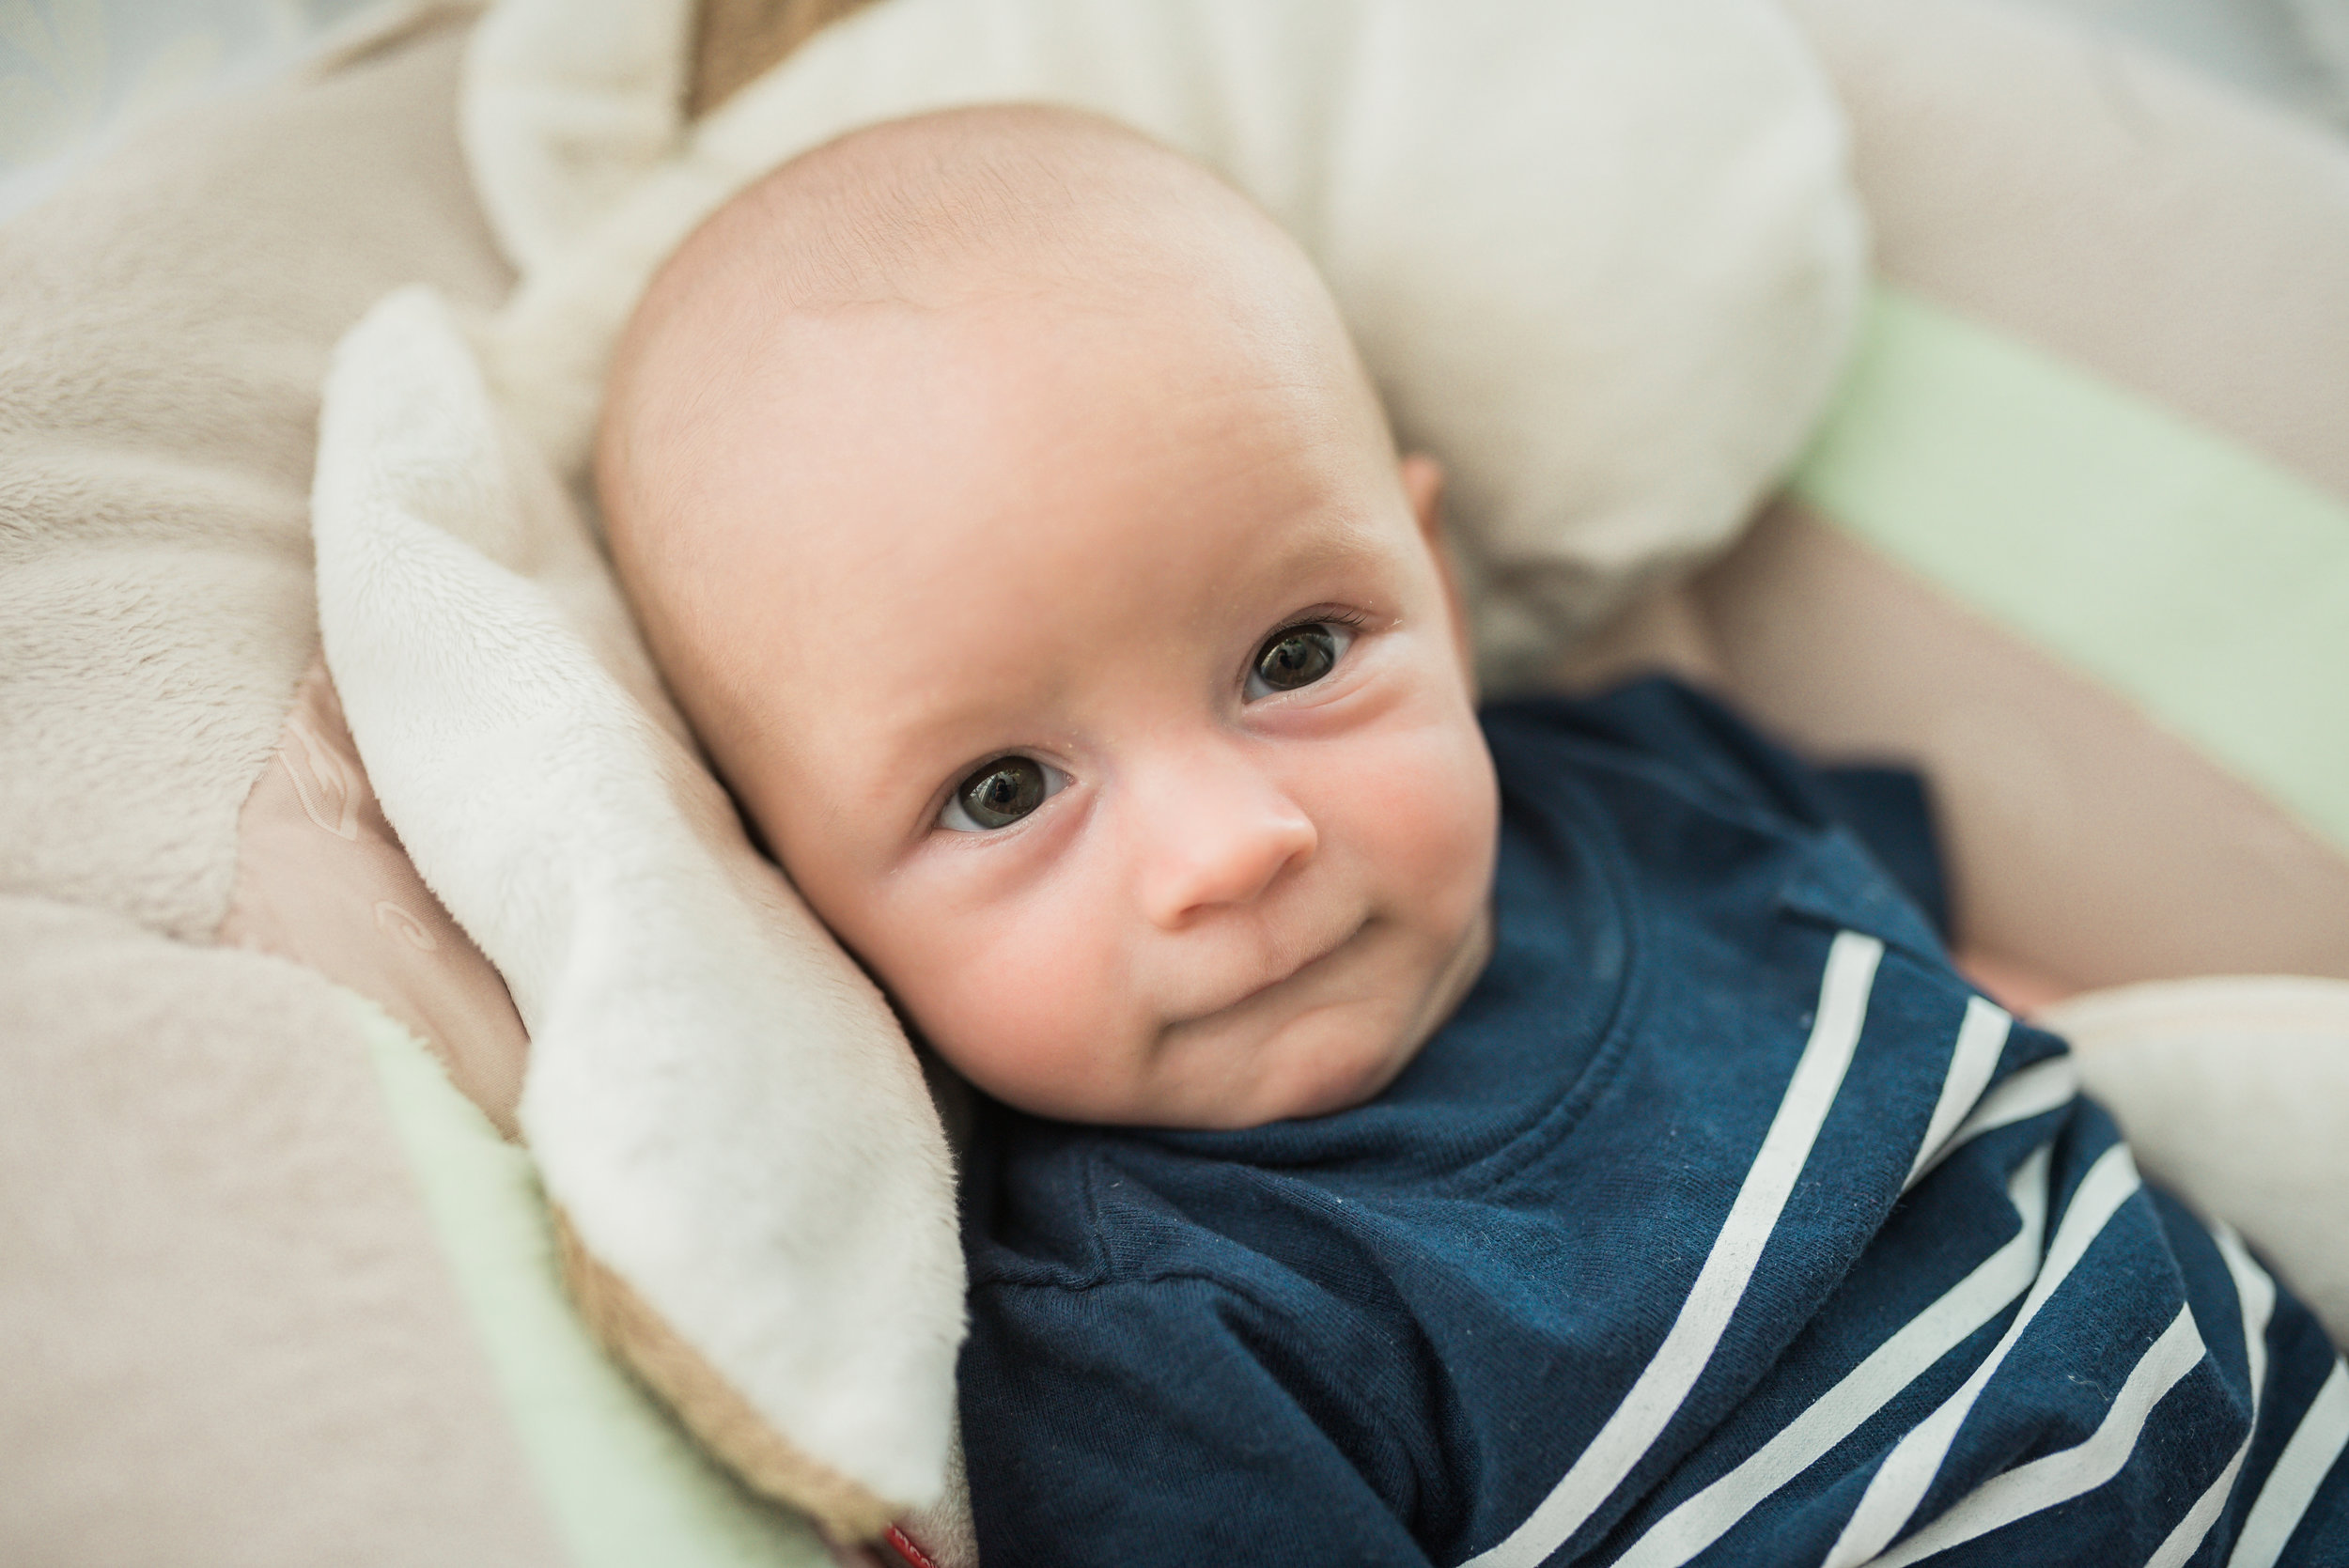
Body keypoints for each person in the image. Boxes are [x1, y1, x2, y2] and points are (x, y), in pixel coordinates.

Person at [594, 104, 2348, 1566]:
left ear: (1429, 582)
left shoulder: (1658, 784)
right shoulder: (1159, 1347)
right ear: (797, 892)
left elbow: (2024, 1039)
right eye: (1002, 789)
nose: (1234, 844)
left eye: (1294, 657)